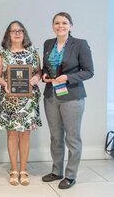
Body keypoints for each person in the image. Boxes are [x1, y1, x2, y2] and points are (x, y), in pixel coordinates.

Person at [41, 12, 94, 189]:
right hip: (51, 96)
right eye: (57, 23)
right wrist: (44, 75)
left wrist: (67, 78)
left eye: (64, 23)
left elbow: (88, 71)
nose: (60, 26)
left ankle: (70, 175)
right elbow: (45, 68)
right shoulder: (48, 44)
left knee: (72, 138)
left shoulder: (80, 44)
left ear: (71, 25)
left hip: (72, 97)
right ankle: (57, 171)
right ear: (52, 26)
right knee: (55, 136)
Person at [0, 20, 42, 186]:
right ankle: (14, 169)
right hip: (10, 99)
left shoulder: (33, 52)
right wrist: (5, 84)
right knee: (12, 134)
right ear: (8, 34)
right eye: (14, 30)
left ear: (24, 33)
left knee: (25, 134)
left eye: (20, 30)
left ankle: (24, 170)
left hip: (29, 100)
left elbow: (39, 72)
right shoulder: (2, 54)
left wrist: (36, 78)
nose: (17, 33)